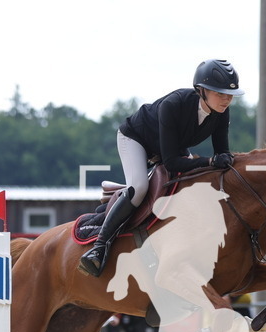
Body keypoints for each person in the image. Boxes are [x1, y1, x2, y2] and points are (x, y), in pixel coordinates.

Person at [78, 59, 245, 277]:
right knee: (139, 187)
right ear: (201, 90)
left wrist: (224, 163)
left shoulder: (222, 113)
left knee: (190, 185)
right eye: (220, 93)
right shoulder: (174, 104)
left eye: (230, 94)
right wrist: (210, 162)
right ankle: (98, 249)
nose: (227, 99)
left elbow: (222, 154)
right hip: (136, 139)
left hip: (169, 146)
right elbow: (172, 163)